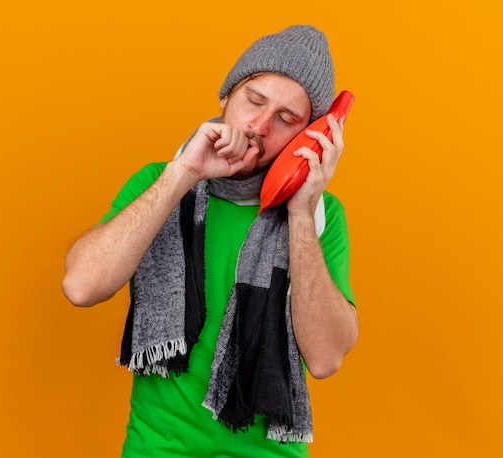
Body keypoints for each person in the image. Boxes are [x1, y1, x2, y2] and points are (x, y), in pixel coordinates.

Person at [63, 24, 359, 458]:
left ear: (309, 136)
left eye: (286, 118)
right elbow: (80, 286)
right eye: (254, 101)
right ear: (226, 96)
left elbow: (326, 359)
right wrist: (184, 173)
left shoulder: (321, 217)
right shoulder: (158, 184)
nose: (259, 125)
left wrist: (299, 212)